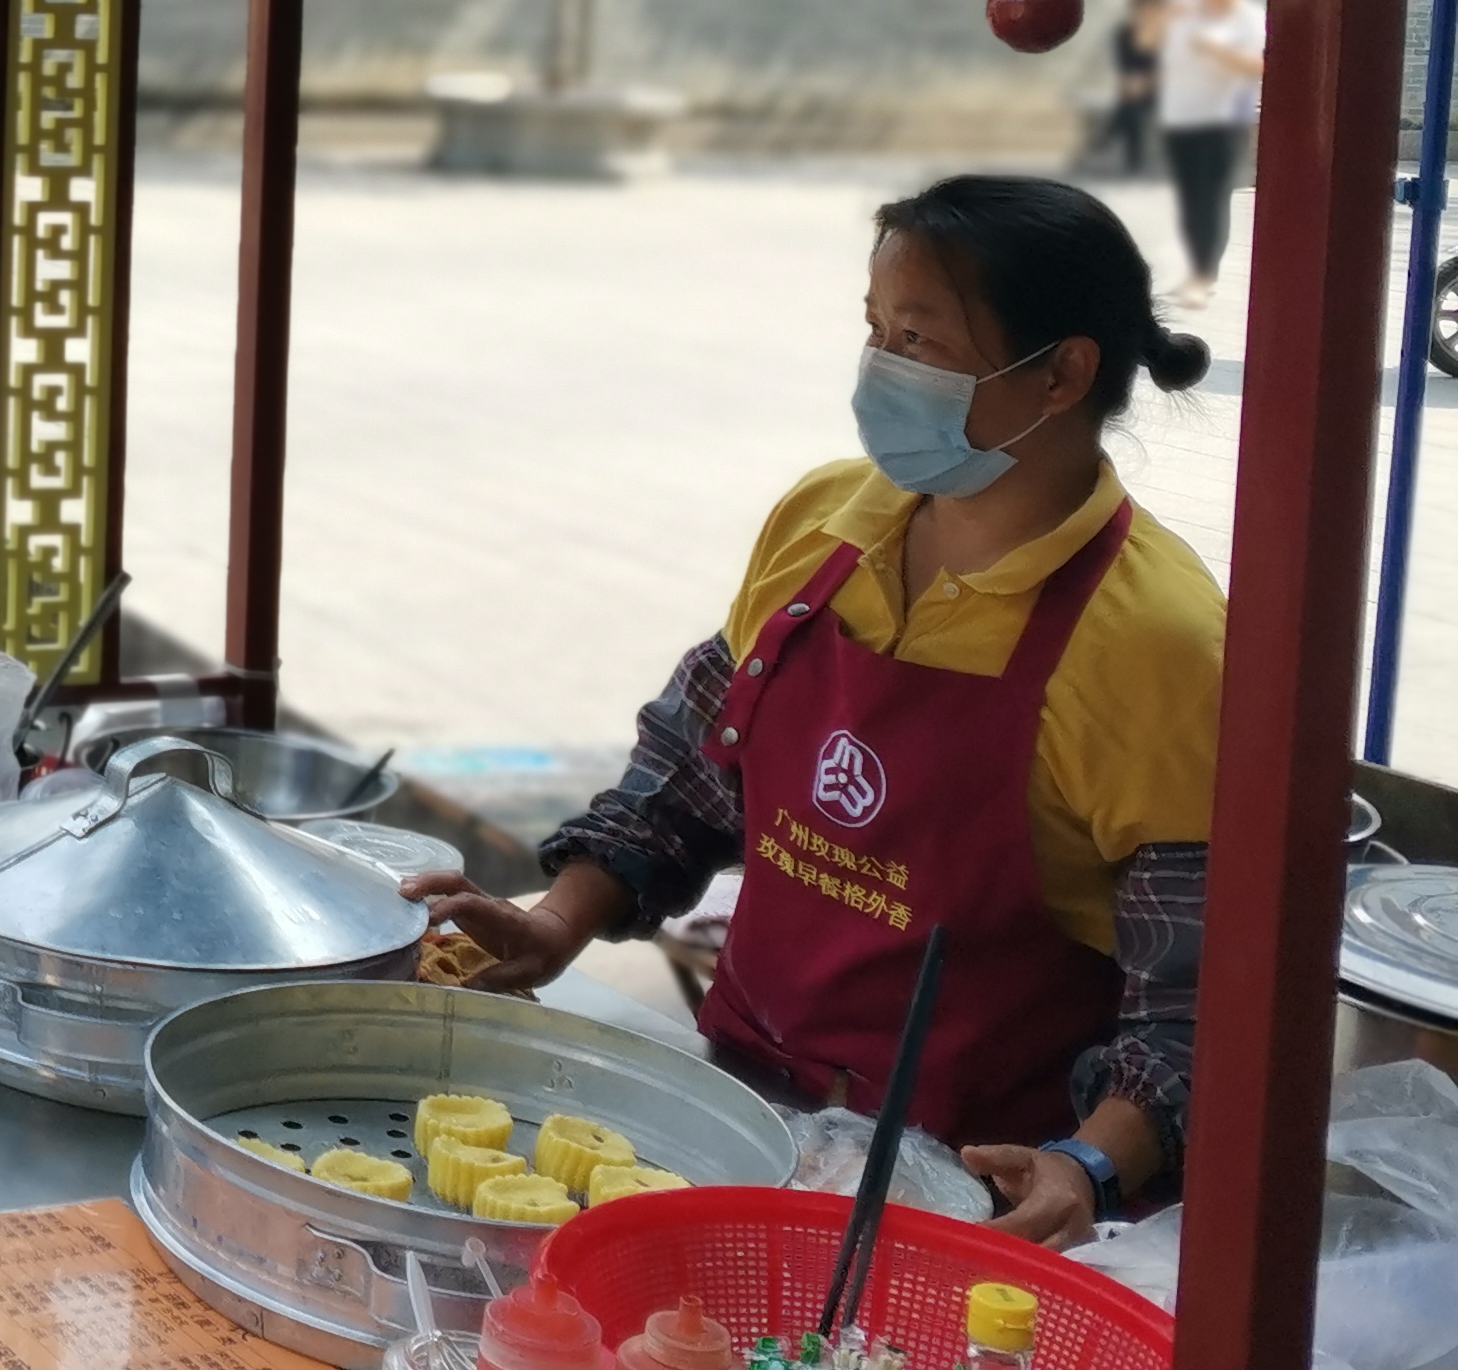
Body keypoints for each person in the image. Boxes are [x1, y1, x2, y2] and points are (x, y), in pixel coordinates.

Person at [408, 175, 1221, 1246]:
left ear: (1062, 372)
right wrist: (557, 920)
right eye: (874, 331)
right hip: (734, 1105)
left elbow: (1198, 997)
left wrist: (1089, 1167)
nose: (880, 369)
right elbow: (692, 768)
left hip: (972, 1189)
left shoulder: (1158, 642)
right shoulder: (827, 523)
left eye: (918, 341)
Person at [1157, 0, 1266, 305]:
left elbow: (1256, 68)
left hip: (1223, 124)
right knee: (1189, 201)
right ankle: (1195, 269)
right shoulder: (1186, 14)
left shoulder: (1248, 18)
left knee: (1212, 201)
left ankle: (1204, 276)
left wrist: (1211, 52)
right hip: (1182, 120)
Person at [1091, 0, 1167, 178]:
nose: (1146, 14)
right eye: (1142, 9)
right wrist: (1134, 83)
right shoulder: (1124, 34)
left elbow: (1171, 70)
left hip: (1164, 90)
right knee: (1132, 105)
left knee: (1130, 106)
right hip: (1135, 89)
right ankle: (1132, 161)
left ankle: (1107, 138)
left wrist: (1148, 82)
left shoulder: (1169, 35)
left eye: (1151, 9)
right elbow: (1125, 67)